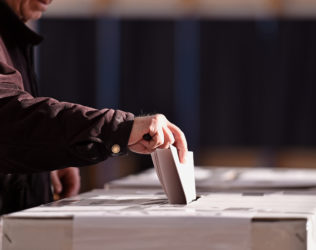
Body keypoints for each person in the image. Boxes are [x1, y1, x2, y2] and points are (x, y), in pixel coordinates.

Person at [0, 0, 188, 214]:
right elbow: (6, 119)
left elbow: (17, 137)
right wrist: (118, 129)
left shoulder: (10, 32)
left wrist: (43, 163)